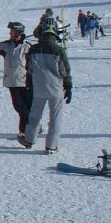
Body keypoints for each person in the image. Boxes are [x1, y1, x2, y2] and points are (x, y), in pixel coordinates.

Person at [17, 25, 72, 154]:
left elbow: (29, 69)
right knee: (55, 118)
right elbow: (65, 71)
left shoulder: (34, 49)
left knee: (34, 116)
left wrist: (29, 83)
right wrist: (68, 87)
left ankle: (29, 139)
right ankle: (51, 146)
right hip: (56, 89)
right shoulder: (59, 50)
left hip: (39, 88)